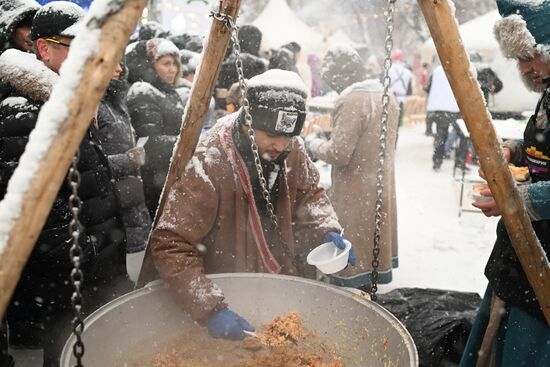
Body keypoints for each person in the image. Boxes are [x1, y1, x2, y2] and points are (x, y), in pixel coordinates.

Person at [149, 69, 354, 339]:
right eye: (270, 135)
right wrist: (209, 308)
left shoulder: (291, 146)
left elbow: (310, 193)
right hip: (224, 282)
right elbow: (170, 243)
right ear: (248, 123)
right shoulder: (209, 159)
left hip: (277, 274)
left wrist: (325, 227)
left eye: (288, 137)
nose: (280, 145)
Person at [0, 2, 132, 365]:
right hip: (68, 280)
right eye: (78, 46)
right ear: (44, 49)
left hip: (99, 266)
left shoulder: (74, 99)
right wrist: (87, 251)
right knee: (66, 355)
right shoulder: (23, 110)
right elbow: (31, 204)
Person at [460, 1, 550, 365]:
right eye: (519, 60)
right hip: (524, 258)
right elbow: (542, 143)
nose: (526, 68)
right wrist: (514, 149)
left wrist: (518, 201)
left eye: (532, 56)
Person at [306, 44, 399, 289]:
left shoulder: (351, 100)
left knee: (352, 259)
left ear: (339, 75)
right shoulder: (386, 96)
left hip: (355, 191)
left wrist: (313, 144)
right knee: (373, 253)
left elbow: (339, 153)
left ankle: (351, 299)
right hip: (380, 186)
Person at [96, 62, 152, 254]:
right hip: (113, 208)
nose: (119, 68)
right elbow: (90, 164)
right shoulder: (93, 106)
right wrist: (127, 161)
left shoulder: (115, 101)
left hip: (131, 200)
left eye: (120, 62)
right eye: (112, 62)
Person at [126, 37, 184, 217]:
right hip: (154, 181)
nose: (173, 69)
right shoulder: (142, 91)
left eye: (175, 63)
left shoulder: (169, 92)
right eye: (166, 63)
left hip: (170, 175)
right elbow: (148, 143)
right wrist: (190, 143)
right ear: (150, 65)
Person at [388, 49, 413, 127]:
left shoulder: (388, 70)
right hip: (401, 100)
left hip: (389, 98)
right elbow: (409, 91)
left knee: (388, 123)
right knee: (397, 125)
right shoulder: (408, 72)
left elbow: (383, 84)